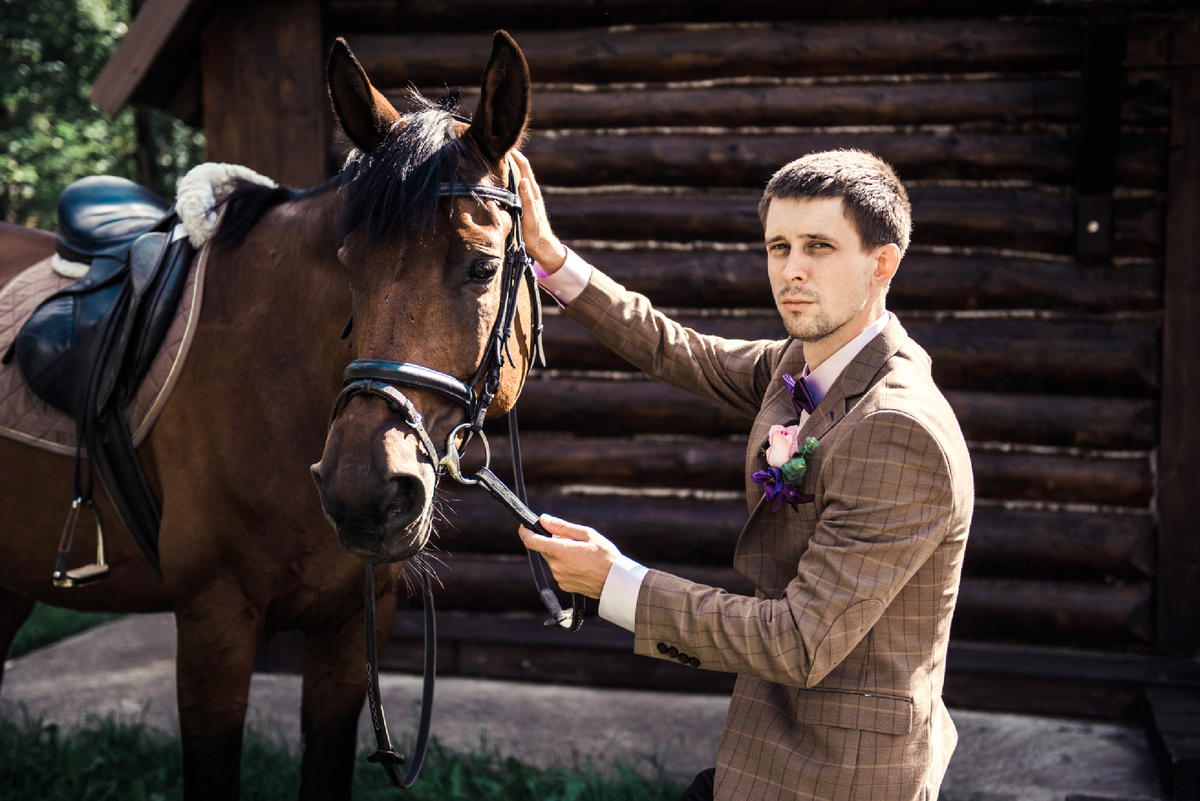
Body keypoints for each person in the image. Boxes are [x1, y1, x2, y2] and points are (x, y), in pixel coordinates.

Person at [513, 148, 973, 801]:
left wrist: (613, 583)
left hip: (842, 774)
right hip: (769, 747)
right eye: (777, 246)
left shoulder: (898, 429)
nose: (792, 270)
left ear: (883, 263)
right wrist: (554, 261)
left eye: (819, 246)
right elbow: (682, 352)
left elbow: (799, 641)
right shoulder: (810, 362)